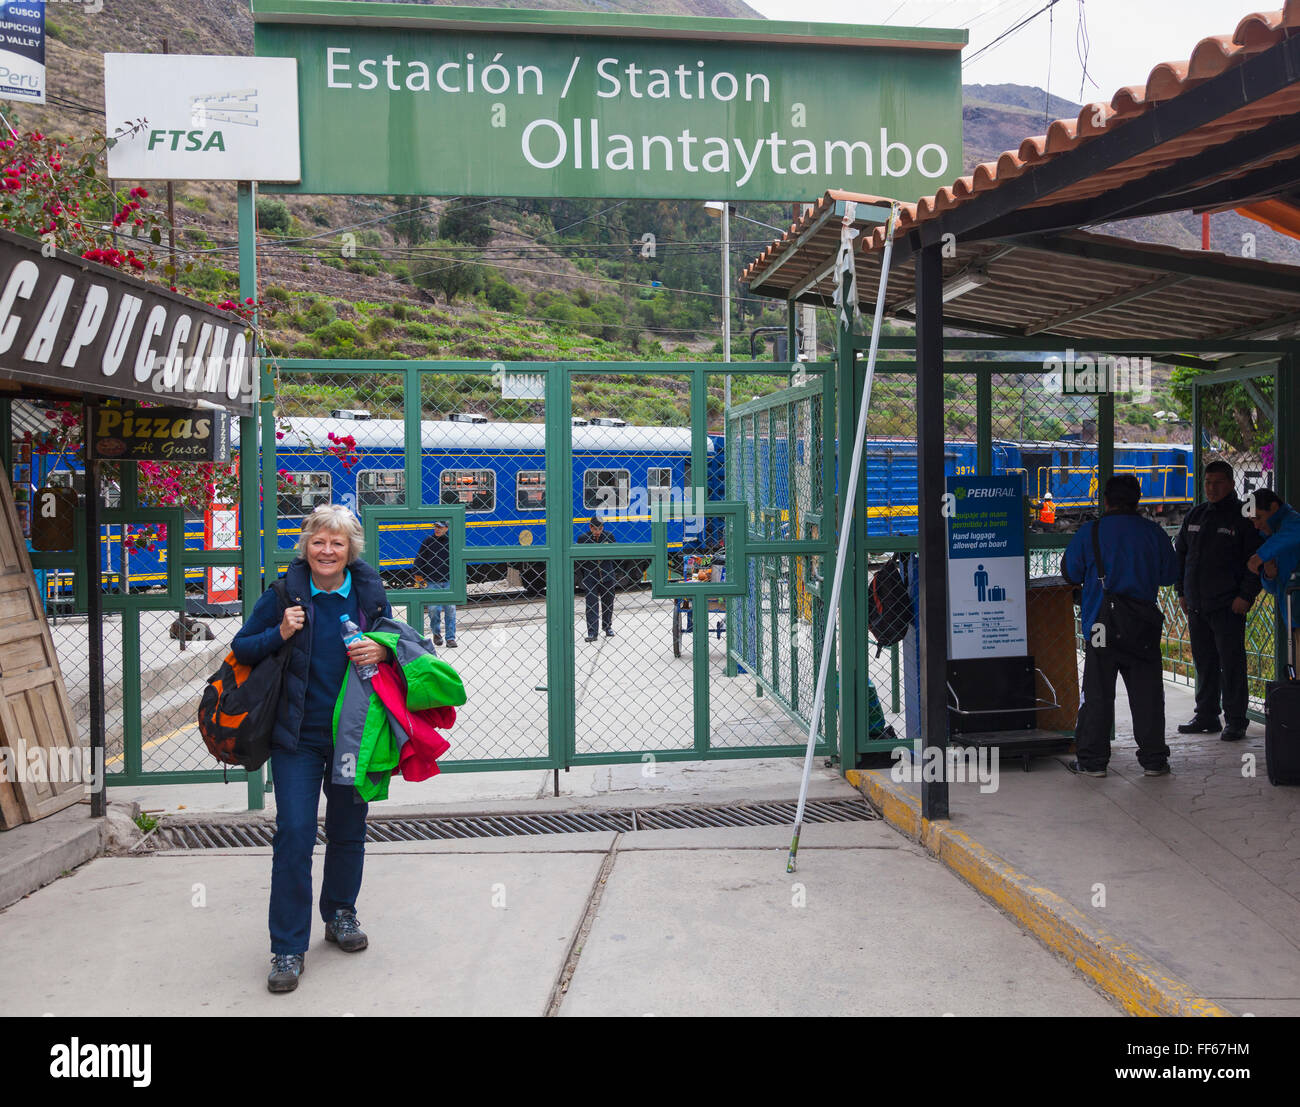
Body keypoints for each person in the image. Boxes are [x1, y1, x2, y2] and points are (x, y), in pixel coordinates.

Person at [232, 504, 392, 994]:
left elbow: (397, 640)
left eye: (336, 543)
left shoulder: (367, 592)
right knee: (296, 834)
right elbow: (242, 647)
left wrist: (382, 648)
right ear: (306, 546)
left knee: (347, 829)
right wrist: (280, 632)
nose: (327, 551)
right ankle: (287, 946)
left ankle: (340, 912)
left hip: (352, 736)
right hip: (295, 737)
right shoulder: (284, 594)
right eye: (318, 541)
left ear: (350, 551)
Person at [1060, 473, 1179, 777]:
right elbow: (1168, 576)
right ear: (1137, 500)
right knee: (1148, 695)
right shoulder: (1154, 533)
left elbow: (1070, 572)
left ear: (1106, 500)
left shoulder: (1091, 532)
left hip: (1101, 626)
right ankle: (1154, 760)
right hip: (1142, 626)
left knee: (1098, 694)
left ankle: (1092, 761)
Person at [1173, 461, 1262, 742]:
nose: (1212, 488)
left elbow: (1255, 561)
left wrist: (1246, 596)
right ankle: (1206, 715)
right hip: (1197, 604)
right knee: (1204, 662)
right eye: (1208, 482)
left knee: (1232, 663)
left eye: (1218, 482)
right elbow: (1181, 556)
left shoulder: (1243, 518)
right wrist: (1181, 592)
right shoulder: (1196, 515)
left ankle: (1235, 720)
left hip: (1228, 605)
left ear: (1231, 484)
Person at [1246, 487, 1300, 622]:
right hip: (1291, 614)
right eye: (1253, 521)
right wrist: (1269, 576)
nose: (1257, 525)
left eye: (1259, 517)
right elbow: (1275, 589)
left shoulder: (1292, 523)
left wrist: (1260, 556)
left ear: (1274, 507)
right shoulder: (1272, 538)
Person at [414, 520, 456, 647]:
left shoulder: (452, 541)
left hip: (449, 580)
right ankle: (436, 633)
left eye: (440, 527)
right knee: (433, 609)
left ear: (447, 528)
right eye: (436, 526)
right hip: (432, 580)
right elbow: (419, 558)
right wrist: (417, 574)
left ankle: (450, 638)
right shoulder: (428, 541)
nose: (437, 529)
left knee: (451, 609)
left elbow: (459, 559)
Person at [576, 514, 616, 641]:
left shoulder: (609, 536)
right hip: (590, 576)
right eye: (595, 529)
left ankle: (607, 626)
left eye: (600, 529)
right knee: (591, 604)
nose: (598, 532)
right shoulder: (583, 539)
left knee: (608, 602)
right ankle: (592, 632)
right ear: (590, 527)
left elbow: (615, 554)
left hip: (607, 574)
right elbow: (579, 559)